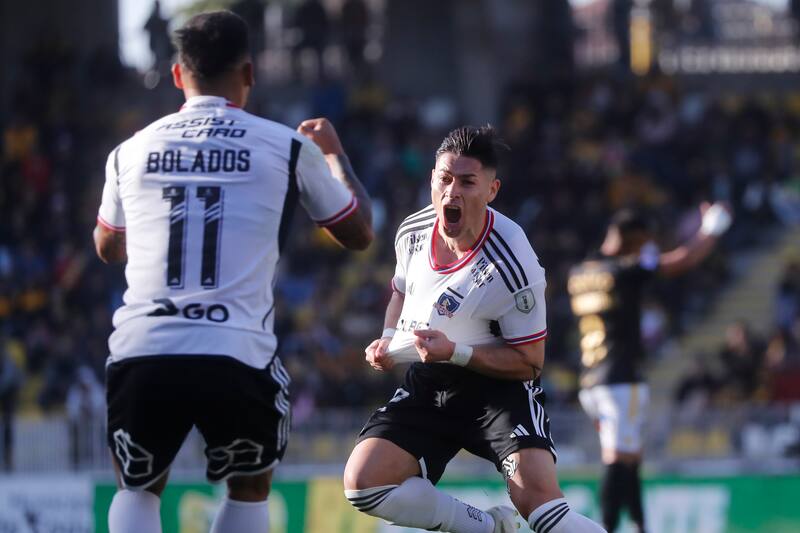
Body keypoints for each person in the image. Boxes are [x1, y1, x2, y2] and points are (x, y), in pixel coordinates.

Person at [93, 11, 372, 533]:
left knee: (138, 487)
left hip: (145, 346)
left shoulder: (129, 151)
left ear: (178, 75)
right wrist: (334, 156)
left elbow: (108, 245)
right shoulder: (287, 147)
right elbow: (358, 232)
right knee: (249, 487)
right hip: (235, 349)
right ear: (249, 72)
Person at [343, 126, 605, 533]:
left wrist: (457, 352)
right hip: (431, 382)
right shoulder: (411, 233)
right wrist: (388, 338)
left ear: (492, 190)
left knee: (539, 505)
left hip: (497, 390)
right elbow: (400, 292)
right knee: (363, 484)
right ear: (432, 179)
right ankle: (485, 528)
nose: (453, 192)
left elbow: (530, 363)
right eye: (445, 179)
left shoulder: (514, 262)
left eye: (467, 182)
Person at [568, 205, 731, 533]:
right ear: (634, 240)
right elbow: (681, 261)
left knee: (629, 459)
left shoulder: (579, 273)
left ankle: (641, 525)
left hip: (590, 380)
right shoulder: (624, 269)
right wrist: (712, 228)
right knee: (618, 459)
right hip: (620, 378)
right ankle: (607, 527)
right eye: (644, 242)